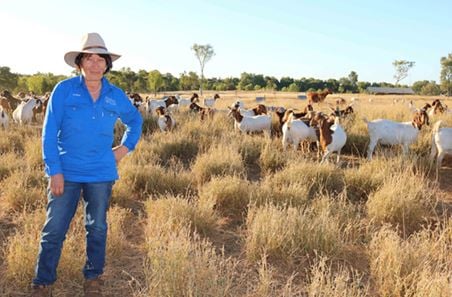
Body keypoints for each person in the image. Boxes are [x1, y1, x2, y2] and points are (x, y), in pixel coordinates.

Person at [30, 32, 143, 297]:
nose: (95, 64)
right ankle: (43, 281)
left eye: (100, 59)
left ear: (107, 64)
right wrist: (54, 170)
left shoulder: (116, 95)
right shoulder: (64, 90)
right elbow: (48, 132)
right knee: (54, 228)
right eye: (89, 58)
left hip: (101, 173)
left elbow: (135, 121)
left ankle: (93, 278)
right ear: (79, 63)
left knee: (97, 227)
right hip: (66, 173)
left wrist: (124, 148)